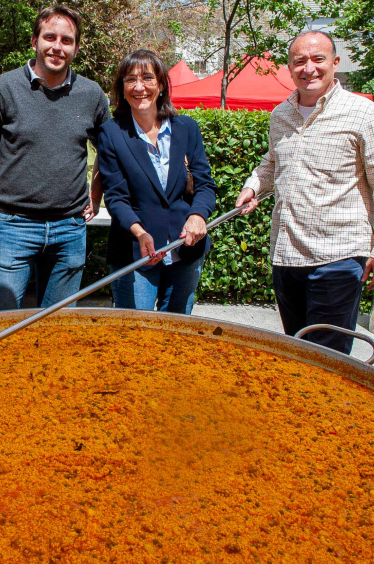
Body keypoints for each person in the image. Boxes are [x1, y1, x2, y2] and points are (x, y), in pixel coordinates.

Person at [236, 30, 374, 355]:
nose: (308, 68)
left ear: (335, 63)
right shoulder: (280, 114)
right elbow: (272, 161)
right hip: (287, 255)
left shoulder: (363, 113)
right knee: (298, 354)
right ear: (289, 67)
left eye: (317, 59)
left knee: (326, 358)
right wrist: (253, 185)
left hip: (339, 257)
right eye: (299, 61)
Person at [0, 5, 110, 311]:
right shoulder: (3, 88)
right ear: (35, 41)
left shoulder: (92, 94)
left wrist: (95, 195)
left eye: (67, 40)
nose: (58, 47)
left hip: (69, 230)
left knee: (56, 330)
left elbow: (108, 151)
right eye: (50, 37)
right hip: (11, 227)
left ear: (76, 48)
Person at [97, 50, 216, 313]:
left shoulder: (186, 129)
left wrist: (198, 215)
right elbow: (115, 197)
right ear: (122, 88)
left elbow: (205, 184)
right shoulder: (111, 133)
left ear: (161, 85)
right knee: (135, 329)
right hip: (135, 250)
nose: (139, 87)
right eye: (131, 79)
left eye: (148, 78)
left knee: (176, 329)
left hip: (185, 249)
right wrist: (140, 232)